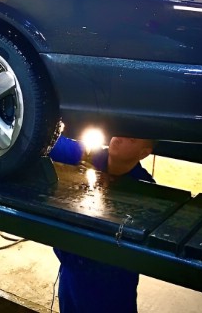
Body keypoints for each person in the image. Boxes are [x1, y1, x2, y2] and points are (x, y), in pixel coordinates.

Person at [50, 131, 156, 313]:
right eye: (121, 128)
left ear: (144, 153)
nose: (120, 136)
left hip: (111, 284)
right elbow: (49, 142)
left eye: (131, 138)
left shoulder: (147, 190)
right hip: (72, 273)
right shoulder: (88, 155)